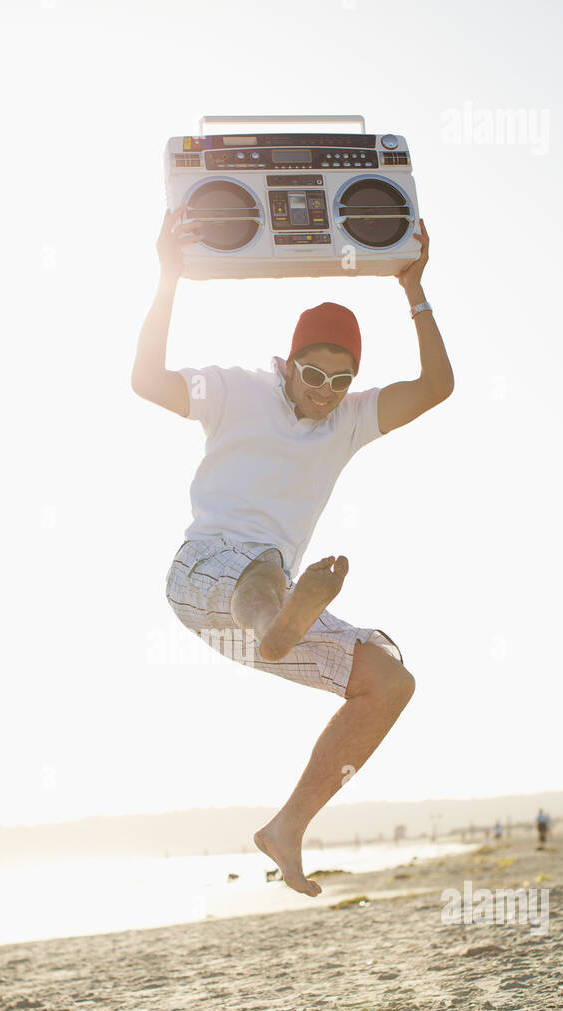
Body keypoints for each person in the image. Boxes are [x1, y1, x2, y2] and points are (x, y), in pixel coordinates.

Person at [132, 205, 454, 896]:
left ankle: (287, 828)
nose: (325, 393)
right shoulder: (233, 389)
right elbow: (146, 381)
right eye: (314, 374)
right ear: (289, 360)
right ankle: (275, 623)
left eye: (341, 382)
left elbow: (436, 388)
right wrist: (168, 279)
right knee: (266, 573)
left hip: (276, 611)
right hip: (204, 575)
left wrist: (413, 287)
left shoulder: (348, 421)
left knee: (390, 682)